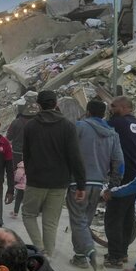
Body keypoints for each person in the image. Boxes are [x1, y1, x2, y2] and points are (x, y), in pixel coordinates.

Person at [21, 90, 86, 256]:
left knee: (28, 214)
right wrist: (80, 184)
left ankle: (39, 248)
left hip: (36, 180)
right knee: (50, 222)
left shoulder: (31, 126)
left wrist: (30, 173)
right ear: (56, 103)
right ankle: (48, 254)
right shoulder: (67, 126)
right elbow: (75, 157)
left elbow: (26, 155)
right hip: (59, 183)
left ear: (39, 105)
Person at [68, 100, 123, 271]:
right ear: (104, 114)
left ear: (88, 111)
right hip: (99, 184)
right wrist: (113, 185)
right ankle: (79, 256)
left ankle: (91, 254)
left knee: (78, 221)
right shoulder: (112, 134)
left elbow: (66, 151)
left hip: (78, 183)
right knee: (84, 222)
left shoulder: (80, 126)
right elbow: (119, 162)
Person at [104, 96, 136, 268]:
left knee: (113, 216)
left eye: (113, 106)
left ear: (123, 107)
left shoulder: (118, 123)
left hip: (121, 175)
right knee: (127, 215)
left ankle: (114, 257)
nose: (111, 109)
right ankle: (122, 253)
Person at [6, 92, 38, 166]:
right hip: (33, 151)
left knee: (18, 172)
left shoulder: (16, 122)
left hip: (18, 153)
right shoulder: (38, 121)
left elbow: (9, 137)